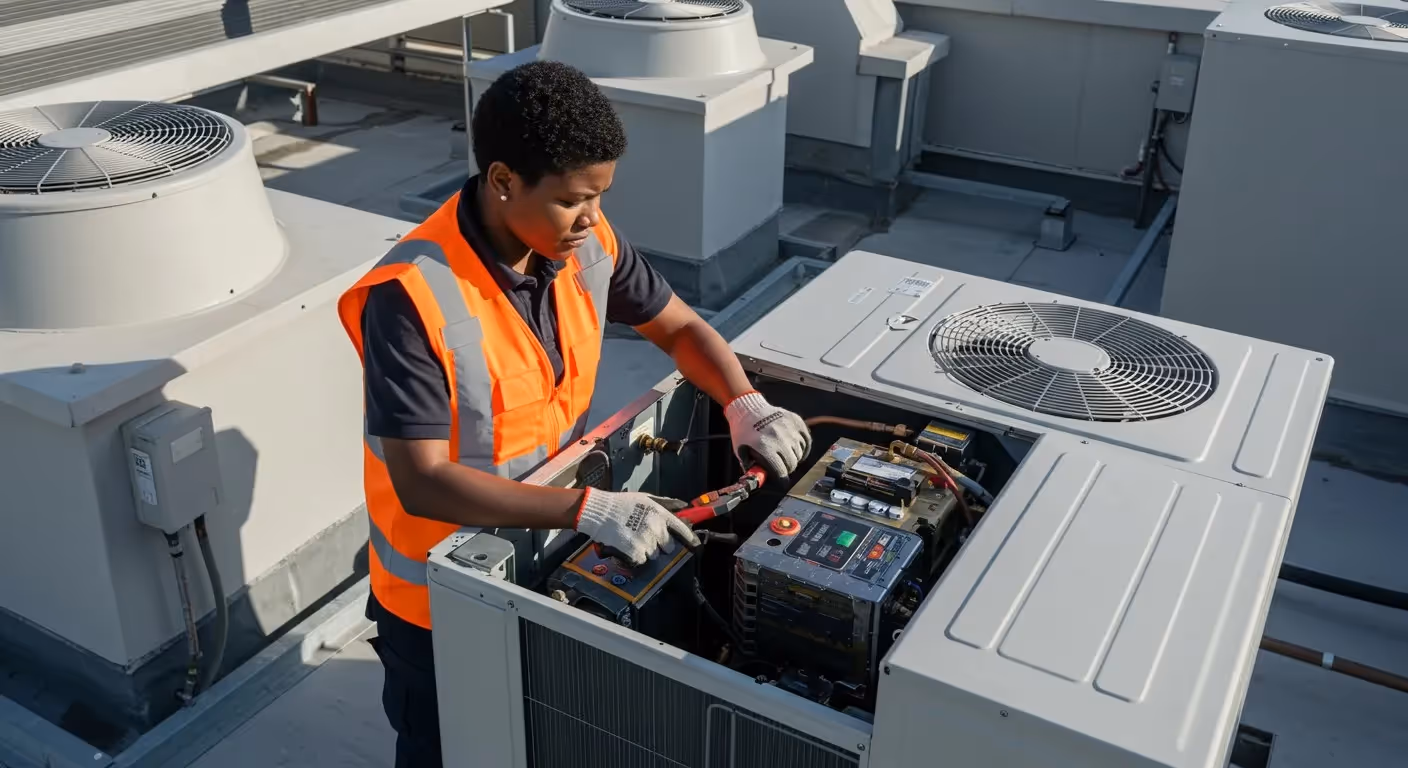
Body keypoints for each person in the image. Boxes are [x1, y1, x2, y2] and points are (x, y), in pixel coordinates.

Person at [335, 60, 812, 768]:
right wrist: (589, 510)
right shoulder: (411, 297)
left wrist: (742, 400)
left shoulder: (584, 244)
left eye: (601, 196)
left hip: (544, 548)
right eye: (572, 200)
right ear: (503, 181)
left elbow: (681, 329)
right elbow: (422, 481)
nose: (591, 219)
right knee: (451, 747)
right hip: (437, 598)